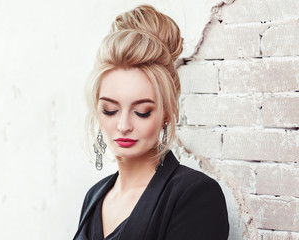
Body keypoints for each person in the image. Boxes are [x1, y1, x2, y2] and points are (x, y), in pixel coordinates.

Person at [74, 5, 229, 240]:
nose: (123, 125)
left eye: (142, 112)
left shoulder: (195, 195)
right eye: (110, 110)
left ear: (166, 113)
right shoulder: (94, 198)